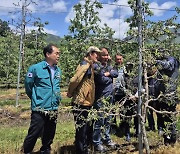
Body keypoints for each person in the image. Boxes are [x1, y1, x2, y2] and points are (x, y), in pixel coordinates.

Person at [22, 44, 61, 154]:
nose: (58, 56)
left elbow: (56, 87)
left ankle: (45, 149)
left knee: (50, 132)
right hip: (40, 107)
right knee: (34, 132)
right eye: (56, 53)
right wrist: (36, 98)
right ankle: (27, 151)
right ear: (48, 54)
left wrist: (58, 98)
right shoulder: (35, 68)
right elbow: (28, 86)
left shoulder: (58, 70)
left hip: (53, 107)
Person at [67, 46, 102, 154]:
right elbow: (75, 80)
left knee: (86, 128)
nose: (98, 56)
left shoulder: (90, 66)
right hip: (81, 102)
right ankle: (81, 150)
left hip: (87, 102)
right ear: (91, 54)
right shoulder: (85, 65)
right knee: (81, 129)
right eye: (96, 54)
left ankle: (84, 148)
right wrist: (70, 92)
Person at [92, 47, 118, 152]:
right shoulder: (96, 66)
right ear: (99, 56)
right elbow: (101, 79)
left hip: (110, 96)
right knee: (100, 120)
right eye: (104, 55)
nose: (106, 57)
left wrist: (109, 73)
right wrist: (109, 75)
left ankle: (106, 138)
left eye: (107, 55)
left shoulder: (108, 66)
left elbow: (115, 73)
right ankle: (97, 142)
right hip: (101, 97)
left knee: (108, 119)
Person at [155, 50, 179, 144]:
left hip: (170, 95)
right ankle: (166, 139)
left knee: (170, 116)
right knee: (162, 116)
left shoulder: (172, 60)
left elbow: (168, 66)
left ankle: (172, 140)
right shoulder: (165, 61)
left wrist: (156, 61)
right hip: (162, 94)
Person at [113, 53, 135, 142]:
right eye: (117, 59)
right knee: (112, 112)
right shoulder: (113, 69)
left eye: (120, 59)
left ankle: (127, 133)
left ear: (123, 59)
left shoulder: (126, 69)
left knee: (125, 113)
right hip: (114, 93)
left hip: (124, 94)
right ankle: (114, 129)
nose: (119, 60)